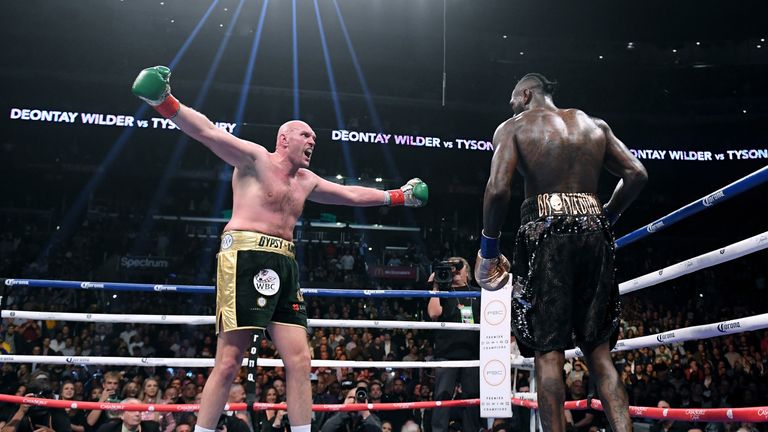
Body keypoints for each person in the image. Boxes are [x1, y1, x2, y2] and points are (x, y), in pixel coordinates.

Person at [131, 66, 428, 432]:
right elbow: (207, 132)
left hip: (284, 262)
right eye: (305, 134)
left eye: (314, 137)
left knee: (301, 360)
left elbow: (351, 194)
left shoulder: (306, 180)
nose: (312, 141)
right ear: (283, 139)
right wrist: (165, 102)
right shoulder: (255, 159)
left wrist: (399, 196)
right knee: (228, 361)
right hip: (244, 255)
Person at [474, 72, 648, 432]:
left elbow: (497, 190)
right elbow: (636, 174)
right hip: (594, 230)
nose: (510, 107)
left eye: (512, 100)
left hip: (547, 232)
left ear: (525, 95)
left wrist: (488, 250)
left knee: (549, 353)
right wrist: (607, 216)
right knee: (599, 352)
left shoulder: (514, 127)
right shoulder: (593, 124)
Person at [426, 257, 480, 432]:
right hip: (446, 353)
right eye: (451, 267)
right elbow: (434, 314)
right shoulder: (443, 292)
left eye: (458, 266)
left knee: (472, 399)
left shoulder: (478, 293)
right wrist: (436, 286)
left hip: (472, 353)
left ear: (468, 272)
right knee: (442, 397)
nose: (455, 270)